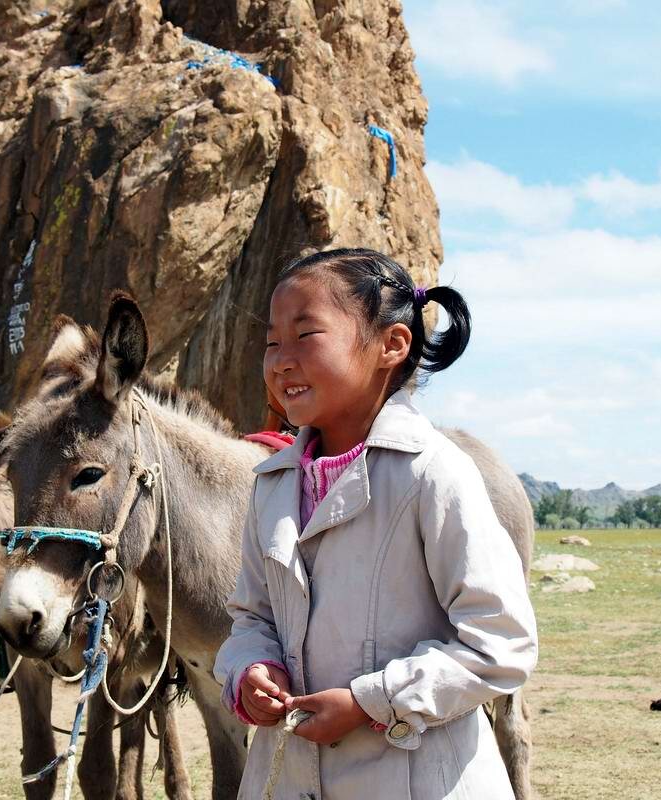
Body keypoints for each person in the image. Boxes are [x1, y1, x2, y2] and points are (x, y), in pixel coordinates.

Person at [213, 248, 538, 799]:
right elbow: (252, 617)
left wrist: (372, 703)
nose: (280, 360)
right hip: (289, 778)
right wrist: (251, 671)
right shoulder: (271, 484)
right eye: (271, 342)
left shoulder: (434, 474)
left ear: (391, 345)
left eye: (304, 335)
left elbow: (501, 643)